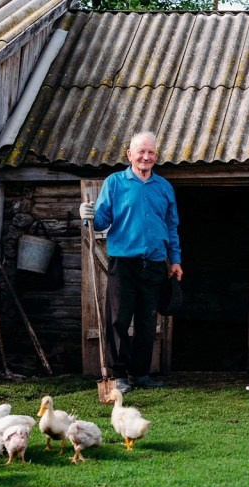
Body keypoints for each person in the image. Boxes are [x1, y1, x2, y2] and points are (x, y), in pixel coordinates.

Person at [79, 130, 183, 393]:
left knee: (148, 321)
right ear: (130, 155)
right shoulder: (115, 183)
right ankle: (119, 375)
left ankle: (141, 374)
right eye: (141, 152)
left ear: (156, 157)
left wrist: (176, 260)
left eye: (150, 152)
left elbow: (172, 227)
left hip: (156, 263)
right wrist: (86, 215)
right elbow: (101, 221)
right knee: (118, 321)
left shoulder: (164, 187)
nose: (146, 157)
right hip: (124, 264)